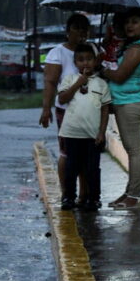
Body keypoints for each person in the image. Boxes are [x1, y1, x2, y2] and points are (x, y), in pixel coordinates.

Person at [99, 10, 140, 210]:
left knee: (134, 151)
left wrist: (102, 70)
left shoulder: (139, 48)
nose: (129, 26)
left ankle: (134, 196)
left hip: (131, 103)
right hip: (126, 101)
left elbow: (120, 76)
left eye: (135, 22)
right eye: (127, 23)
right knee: (132, 150)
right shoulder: (132, 47)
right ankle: (129, 192)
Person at [39, 13, 91, 196]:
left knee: (88, 157)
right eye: (76, 28)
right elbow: (50, 83)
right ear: (68, 31)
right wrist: (46, 109)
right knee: (67, 154)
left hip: (90, 112)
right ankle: (67, 193)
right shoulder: (58, 53)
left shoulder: (93, 50)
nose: (81, 33)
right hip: (67, 111)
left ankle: (85, 195)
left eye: (84, 28)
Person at [57, 44, 112, 211]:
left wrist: (102, 132)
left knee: (92, 169)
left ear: (95, 61)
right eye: (80, 60)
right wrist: (78, 83)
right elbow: (62, 99)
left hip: (92, 135)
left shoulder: (101, 84)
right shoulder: (69, 80)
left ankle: (93, 198)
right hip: (72, 133)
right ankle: (68, 197)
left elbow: (105, 110)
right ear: (75, 63)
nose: (85, 63)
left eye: (89, 59)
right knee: (71, 167)